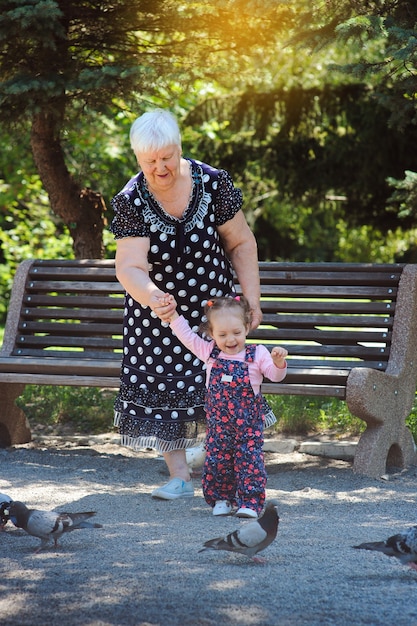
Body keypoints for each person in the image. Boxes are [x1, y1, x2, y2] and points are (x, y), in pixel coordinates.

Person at [109, 108, 263, 501]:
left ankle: (222, 466)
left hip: (216, 308)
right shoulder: (131, 200)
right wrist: (152, 296)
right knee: (164, 385)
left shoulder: (213, 183)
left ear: (180, 148)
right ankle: (179, 475)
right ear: (137, 159)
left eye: (167, 157)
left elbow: (241, 242)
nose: (160, 168)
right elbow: (129, 267)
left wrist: (251, 300)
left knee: (226, 383)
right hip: (161, 310)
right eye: (150, 161)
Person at [163, 294, 288, 518]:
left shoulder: (256, 354)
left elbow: (275, 375)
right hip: (219, 424)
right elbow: (187, 337)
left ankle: (250, 502)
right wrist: (172, 316)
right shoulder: (210, 352)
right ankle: (221, 499)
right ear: (211, 334)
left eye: (236, 333)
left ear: (247, 327)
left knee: (249, 459)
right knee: (217, 459)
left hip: (248, 425)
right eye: (222, 334)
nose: (230, 339)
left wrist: (278, 364)